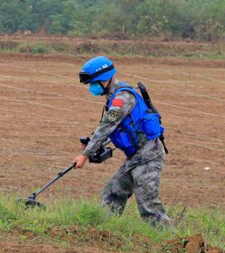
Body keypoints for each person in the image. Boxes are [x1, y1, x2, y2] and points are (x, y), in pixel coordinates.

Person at [72, 56, 172, 227]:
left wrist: (85, 155)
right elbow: (117, 129)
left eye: (93, 83)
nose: (91, 87)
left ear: (105, 79)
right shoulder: (113, 97)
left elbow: (108, 125)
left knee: (148, 206)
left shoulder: (123, 98)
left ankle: (171, 245)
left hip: (148, 156)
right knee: (112, 193)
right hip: (135, 158)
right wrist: (92, 144)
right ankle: (105, 231)